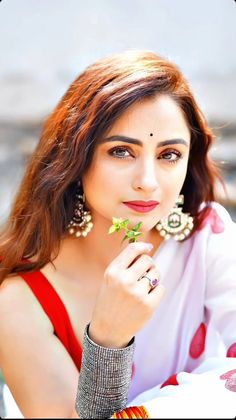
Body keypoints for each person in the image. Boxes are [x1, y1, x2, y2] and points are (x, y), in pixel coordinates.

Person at [0, 49, 236, 419]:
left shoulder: (208, 238)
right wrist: (109, 338)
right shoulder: (21, 301)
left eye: (169, 154)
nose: (147, 182)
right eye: (122, 151)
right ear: (74, 158)